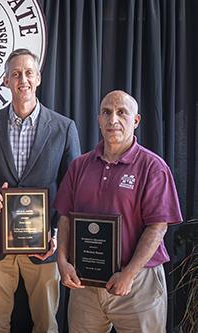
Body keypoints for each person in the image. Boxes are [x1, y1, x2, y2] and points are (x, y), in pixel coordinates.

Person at [0, 48, 81, 333]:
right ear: (6, 80)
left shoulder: (64, 128)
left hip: (44, 245)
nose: (23, 79)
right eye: (16, 74)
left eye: (29, 72)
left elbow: (73, 190)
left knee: (46, 324)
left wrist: (57, 235)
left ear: (39, 78)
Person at [54, 90, 182, 333]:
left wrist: (129, 274)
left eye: (121, 112)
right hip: (86, 283)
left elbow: (158, 227)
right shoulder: (79, 166)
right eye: (106, 112)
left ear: (136, 120)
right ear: (99, 120)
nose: (113, 119)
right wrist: (62, 262)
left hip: (138, 283)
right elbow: (65, 218)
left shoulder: (153, 167)